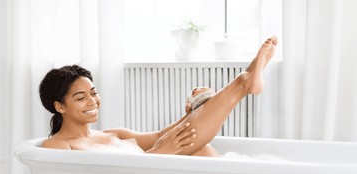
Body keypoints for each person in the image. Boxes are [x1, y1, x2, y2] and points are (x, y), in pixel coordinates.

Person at [39, 36, 278, 157]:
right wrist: (158, 154)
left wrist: (191, 114)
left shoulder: (114, 135)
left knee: (202, 150)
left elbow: (160, 136)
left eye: (93, 93)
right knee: (197, 150)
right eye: (81, 98)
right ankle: (241, 83)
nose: (92, 101)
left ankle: (243, 82)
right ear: (59, 106)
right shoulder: (57, 145)